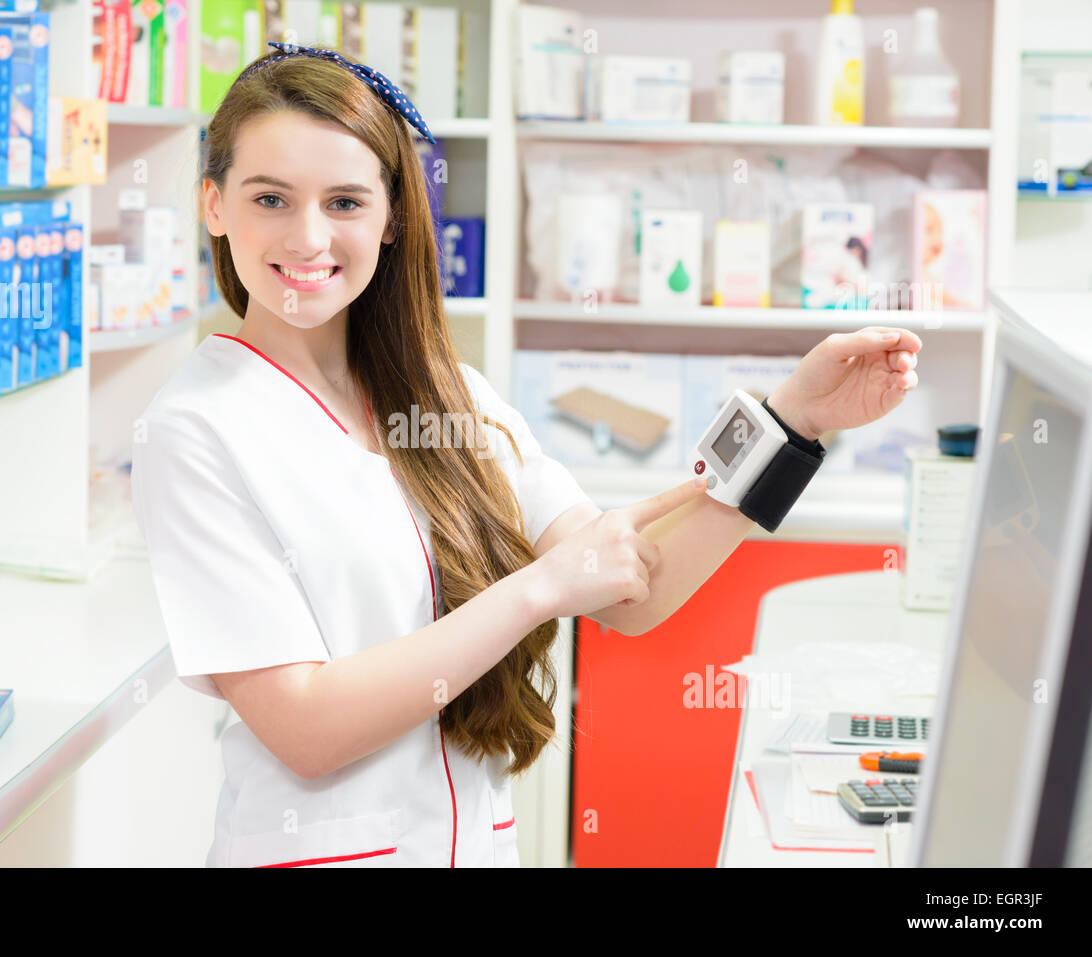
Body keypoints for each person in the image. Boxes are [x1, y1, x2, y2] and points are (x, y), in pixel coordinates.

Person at [130, 43, 922, 868]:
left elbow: (632, 588)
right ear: (213, 204)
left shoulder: (450, 395)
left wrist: (793, 422)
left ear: (393, 217)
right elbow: (305, 725)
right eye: (271, 198)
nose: (309, 235)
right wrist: (538, 589)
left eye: (344, 201)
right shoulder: (195, 431)